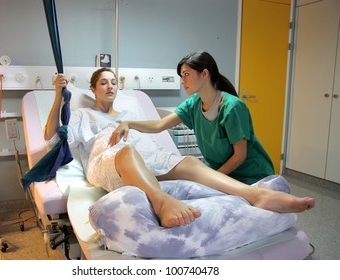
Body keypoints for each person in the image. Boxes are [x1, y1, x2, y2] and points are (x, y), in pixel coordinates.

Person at [45, 67, 314, 229]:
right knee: (125, 151)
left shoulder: (129, 114)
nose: (110, 86)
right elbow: (50, 137)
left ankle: (256, 196)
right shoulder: (82, 116)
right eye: (103, 82)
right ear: (92, 89)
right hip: (106, 160)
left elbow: (155, 128)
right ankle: (162, 203)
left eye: (114, 82)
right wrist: (59, 97)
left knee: (190, 162)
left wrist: (131, 126)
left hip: (146, 157)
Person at [110, 50, 274, 185]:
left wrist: (212, 178)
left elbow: (240, 156)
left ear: (204, 74)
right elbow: (159, 125)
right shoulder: (193, 104)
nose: (182, 81)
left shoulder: (232, 107)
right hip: (220, 173)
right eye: (181, 76)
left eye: (186, 74)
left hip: (251, 175)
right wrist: (128, 123)